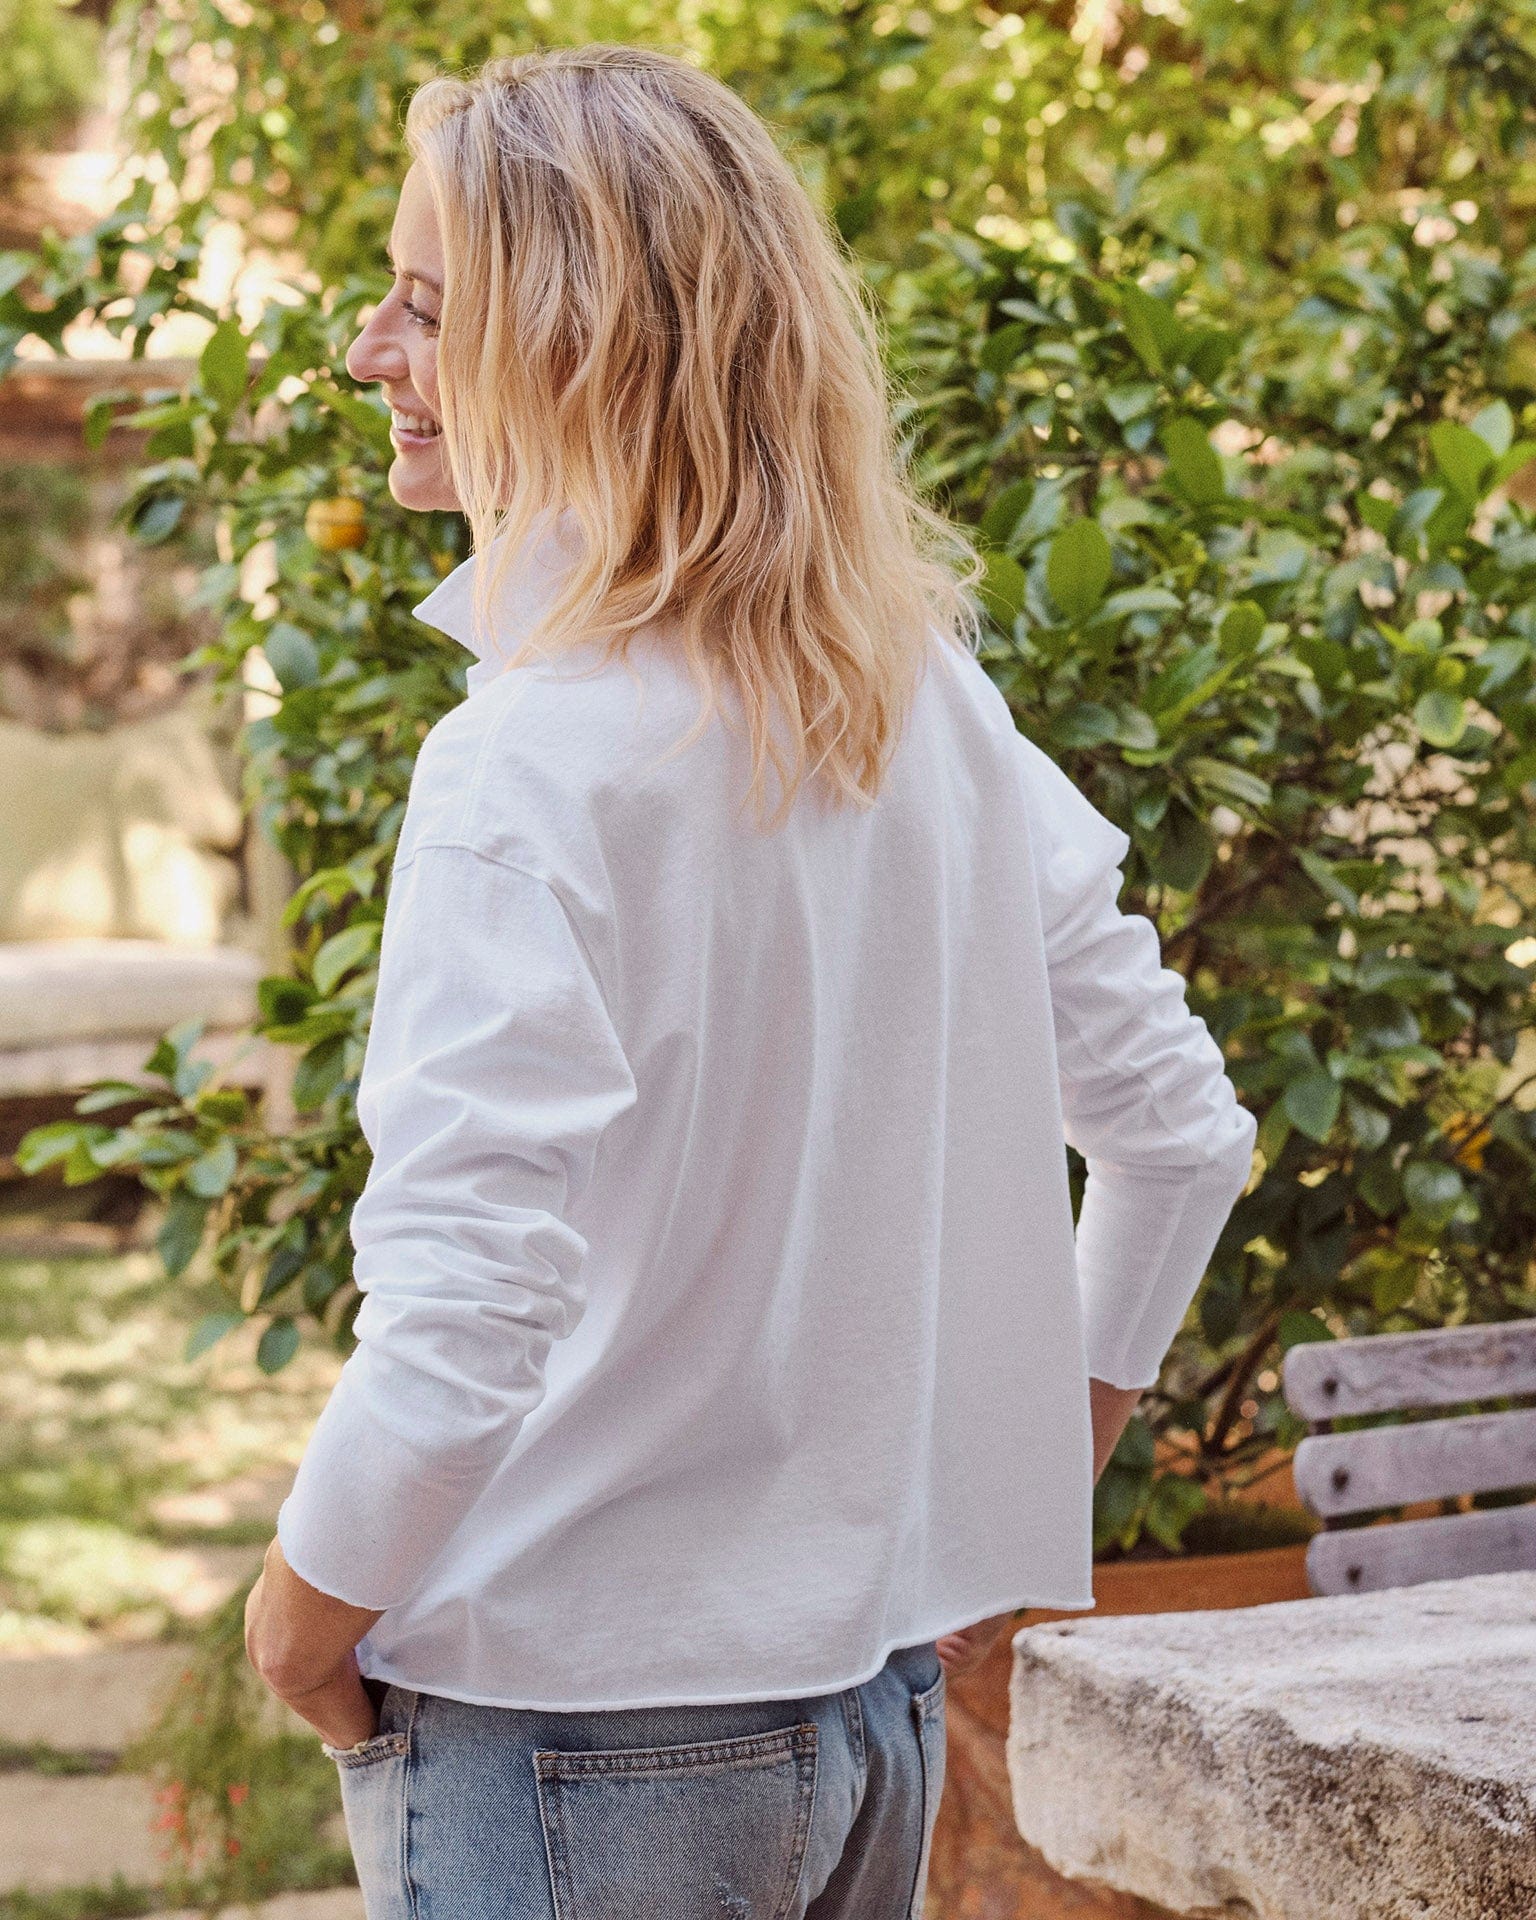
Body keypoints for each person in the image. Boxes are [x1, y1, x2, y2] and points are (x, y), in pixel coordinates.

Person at [243, 43, 1257, 1920]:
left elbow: (467, 1313)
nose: (369, 351)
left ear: (582, 349)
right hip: (863, 1730)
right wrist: (1041, 1472)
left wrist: (298, 1623)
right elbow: (1182, 1140)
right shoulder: (927, 708)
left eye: (426, 306)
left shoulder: (522, 766)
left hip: (561, 1743)